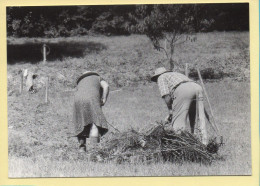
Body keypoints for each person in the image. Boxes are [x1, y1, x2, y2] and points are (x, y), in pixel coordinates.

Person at [151, 67, 207, 144]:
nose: (156, 82)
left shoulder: (161, 77)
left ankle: (179, 144)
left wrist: (170, 111)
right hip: (197, 87)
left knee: (178, 122)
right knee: (199, 117)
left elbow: (166, 95)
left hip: (183, 90)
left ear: (157, 76)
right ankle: (203, 142)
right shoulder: (175, 74)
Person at [73, 71, 109, 152]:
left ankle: (82, 148)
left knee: (81, 121)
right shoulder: (97, 78)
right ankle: (95, 149)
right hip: (91, 98)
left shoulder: (81, 81)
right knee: (95, 121)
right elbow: (106, 86)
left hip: (77, 99)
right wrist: (104, 99)